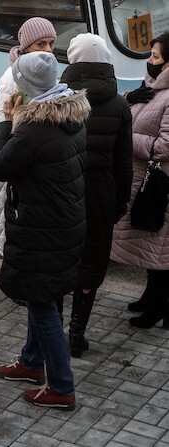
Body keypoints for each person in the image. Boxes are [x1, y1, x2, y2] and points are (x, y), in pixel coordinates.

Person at [0, 52, 89, 410]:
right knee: (44, 295)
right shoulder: (72, 113)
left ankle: (61, 387)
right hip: (66, 223)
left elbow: (1, 166)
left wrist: (7, 121)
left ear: (27, 87)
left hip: (42, 228)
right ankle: (31, 364)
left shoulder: (33, 128)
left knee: (41, 302)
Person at [60, 34, 132, 356]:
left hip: (62, 188)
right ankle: (77, 333)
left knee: (59, 257)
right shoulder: (119, 104)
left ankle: (50, 329)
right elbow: (123, 159)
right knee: (91, 262)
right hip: (100, 191)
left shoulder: (60, 99)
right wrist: (119, 202)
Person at [0, 17, 57, 256]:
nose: (48, 51)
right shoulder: (12, 78)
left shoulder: (42, 72)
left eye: (51, 44)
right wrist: (20, 137)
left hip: (33, 173)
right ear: (25, 47)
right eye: (40, 44)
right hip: (17, 174)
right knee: (16, 241)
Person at [111, 31, 169, 328]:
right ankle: (151, 297)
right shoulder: (152, 87)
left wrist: (127, 140)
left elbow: (165, 147)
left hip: (160, 185)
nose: (150, 61)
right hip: (144, 180)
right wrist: (126, 99)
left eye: (156, 57)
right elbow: (130, 112)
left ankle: (160, 306)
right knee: (151, 243)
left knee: (160, 246)